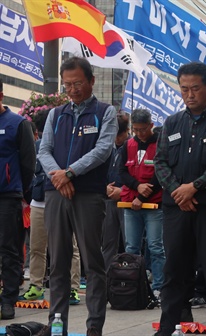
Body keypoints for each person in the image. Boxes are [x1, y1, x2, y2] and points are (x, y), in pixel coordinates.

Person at [154, 62, 206, 336]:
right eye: (184, 89)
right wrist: (179, 191)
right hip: (177, 210)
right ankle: (167, 329)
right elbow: (160, 162)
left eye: (195, 89)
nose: (189, 95)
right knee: (173, 272)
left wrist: (194, 187)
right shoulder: (172, 122)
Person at [36, 57, 117, 336]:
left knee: (93, 262)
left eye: (78, 83)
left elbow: (103, 149)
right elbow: (43, 150)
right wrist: (58, 176)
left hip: (89, 195)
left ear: (91, 81)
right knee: (57, 262)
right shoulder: (55, 115)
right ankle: (56, 323)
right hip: (56, 194)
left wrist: (70, 173)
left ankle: (94, 326)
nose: (72, 89)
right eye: (67, 84)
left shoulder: (105, 112)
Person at [19, 109, 82, 306]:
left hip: (65, 200)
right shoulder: (37, 146)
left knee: (71, 247)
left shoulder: (70, 145)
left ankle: (72, 288)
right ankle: (36, 286)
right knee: (37, 246)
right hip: (38, 202)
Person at [119, 108, 165, 300]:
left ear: (151, 126)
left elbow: (161, 174)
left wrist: (143, 196)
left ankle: (159, 287)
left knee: (155, 247)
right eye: (136, 129)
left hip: (154, 204)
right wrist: (137, 187)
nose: (139, 133)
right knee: (131, 248)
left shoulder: (161, 144)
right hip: (131, 203)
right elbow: (121, 172)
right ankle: (132, 284)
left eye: (143, 129)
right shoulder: (128, 145)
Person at [0, 78, 36, 320]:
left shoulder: (17, 123)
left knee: (10, 250)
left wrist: (21, 191)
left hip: (8, 196)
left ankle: (8, 300)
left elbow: (28, 163)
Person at [102, 112, 130, 270]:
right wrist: (104, 188)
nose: (117, 138)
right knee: (108, 243)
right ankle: (107, 278)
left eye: (120, 134)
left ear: (126, 131)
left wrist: (123, 190)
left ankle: (131, 276)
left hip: (127, 200)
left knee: (129, 243)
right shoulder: (106, 147)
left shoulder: (133, 146)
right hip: (108, 200)